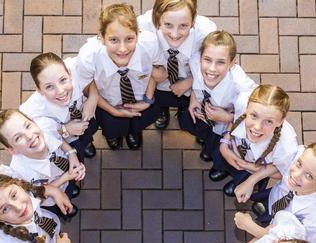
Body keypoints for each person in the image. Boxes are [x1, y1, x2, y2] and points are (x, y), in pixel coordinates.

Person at [75, 3, 167, 150]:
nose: (123, 48)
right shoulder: (88, 56)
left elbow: (157, 73)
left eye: (129, 39)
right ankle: (113, 136)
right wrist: (113, 110)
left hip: (139, 97)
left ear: (138, 34)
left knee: (138, 121)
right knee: (111, 126)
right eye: (114, 40)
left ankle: (133, 132)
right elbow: (87, 88)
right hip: (107, 102)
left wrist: (148, 100)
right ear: (101, 36)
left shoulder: (149, 44)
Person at [243, 141, 316, 243]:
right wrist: (250, 181)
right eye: (299, 164)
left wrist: (251, 227)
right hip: (277, 197)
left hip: (285, 234)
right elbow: (279, 165)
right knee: (264, 207)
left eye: (309, 176)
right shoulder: (304, 155)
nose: (295, 175)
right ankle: (267, 212)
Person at [182, 30, 257, 180]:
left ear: (232, 63)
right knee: (189, 123)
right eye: (207, 60)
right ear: (200, 57)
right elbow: (196, 81)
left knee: (219, 149)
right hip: (204, 112)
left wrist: (228, 117)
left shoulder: (241, 85)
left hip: (226, 126)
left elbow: (256, 111)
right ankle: (207, 147)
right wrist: (193, 98)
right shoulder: (195, 63)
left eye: (221, 62)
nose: (212, 69)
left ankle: (221, 166)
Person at [137, 0, 216, 130]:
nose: (174, 34)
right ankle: (163, 109)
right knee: (160, 98)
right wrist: (150, 70)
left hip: (190, 80)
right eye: (168, 25)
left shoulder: (206, 35)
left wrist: (190, 82)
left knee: (188, 107)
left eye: (183, 26)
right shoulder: (142, 29)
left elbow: (213, 65)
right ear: (157, 18)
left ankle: (182, 109)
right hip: (158, 83)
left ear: (194, 19)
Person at [0, 109, 83, 219]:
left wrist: (71, 153)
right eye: (18, 137)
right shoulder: (19, 173)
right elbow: (35, 196)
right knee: (61, 206)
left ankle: (70, 189)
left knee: (70, 188)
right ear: (12, 150)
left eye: (27, 126)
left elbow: (57, 138)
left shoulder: (45, 127)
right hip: (50, 199)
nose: (29, 136)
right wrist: (65, 178)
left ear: (34, 122)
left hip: (67, 173)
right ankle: (67, 207)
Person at [216, 85, 299, 197]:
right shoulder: (242, 101)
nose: (257, 127)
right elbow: (234, 119)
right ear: (247, 108)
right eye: (254, 116)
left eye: (268, 121)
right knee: (225, 163)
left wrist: (249, 171)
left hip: (255, 170)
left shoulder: (286, 147)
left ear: (281, 121)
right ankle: (226, 170)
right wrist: (224, 144)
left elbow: (280, 172)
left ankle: (237, 182)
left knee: (242, 178)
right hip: (233, 150)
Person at [20, 52, 99, 160]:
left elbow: (91, 77)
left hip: (86, 116)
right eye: (49, 87)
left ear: (70, 74)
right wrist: (64, 129)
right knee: (77, 150)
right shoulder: (32, 112)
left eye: (63, 80)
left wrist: (93, 98)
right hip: (66, 138)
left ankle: (87, 143)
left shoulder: (77, 67)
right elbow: (39, 135)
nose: (60, 91)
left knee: (90, 129)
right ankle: (82, 146)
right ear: (39, 90)